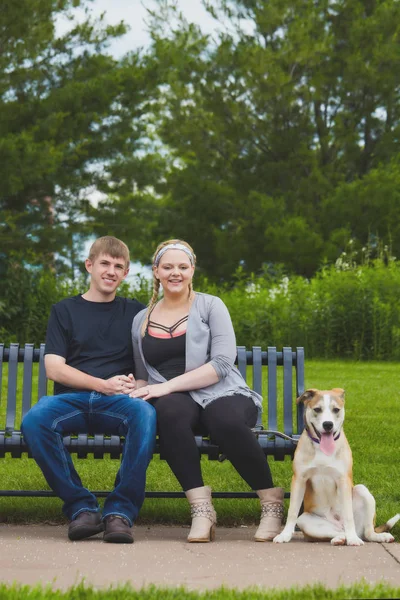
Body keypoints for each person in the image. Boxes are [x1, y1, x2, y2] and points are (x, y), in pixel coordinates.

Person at [130, 239, 284, 543]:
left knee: (222, 419)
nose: (176, 273)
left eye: (182, 267)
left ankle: (271, 504)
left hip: (224, 392)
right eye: (168, 267)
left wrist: (168, 386)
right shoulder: (140, 320)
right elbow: (143, 375)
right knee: (169, 412)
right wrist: (133, 389)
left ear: (192, 269)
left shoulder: (211, 305)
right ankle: (201, 510)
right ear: (156, 272)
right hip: (178, 401)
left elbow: (224, 362)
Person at [21, 236, 156, 544]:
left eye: (118, 266)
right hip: (71, 399)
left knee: (146, 415)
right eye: (105, 264)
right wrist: (101, 385)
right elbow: (54, 368)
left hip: (120, 403)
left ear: (126, 273)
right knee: (34, 420)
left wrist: (139, 384)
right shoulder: (64, 310)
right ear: (89, 265)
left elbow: (148, 365)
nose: (110, 271)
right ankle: (82, 508)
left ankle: (119, 513)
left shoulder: (136, 313)